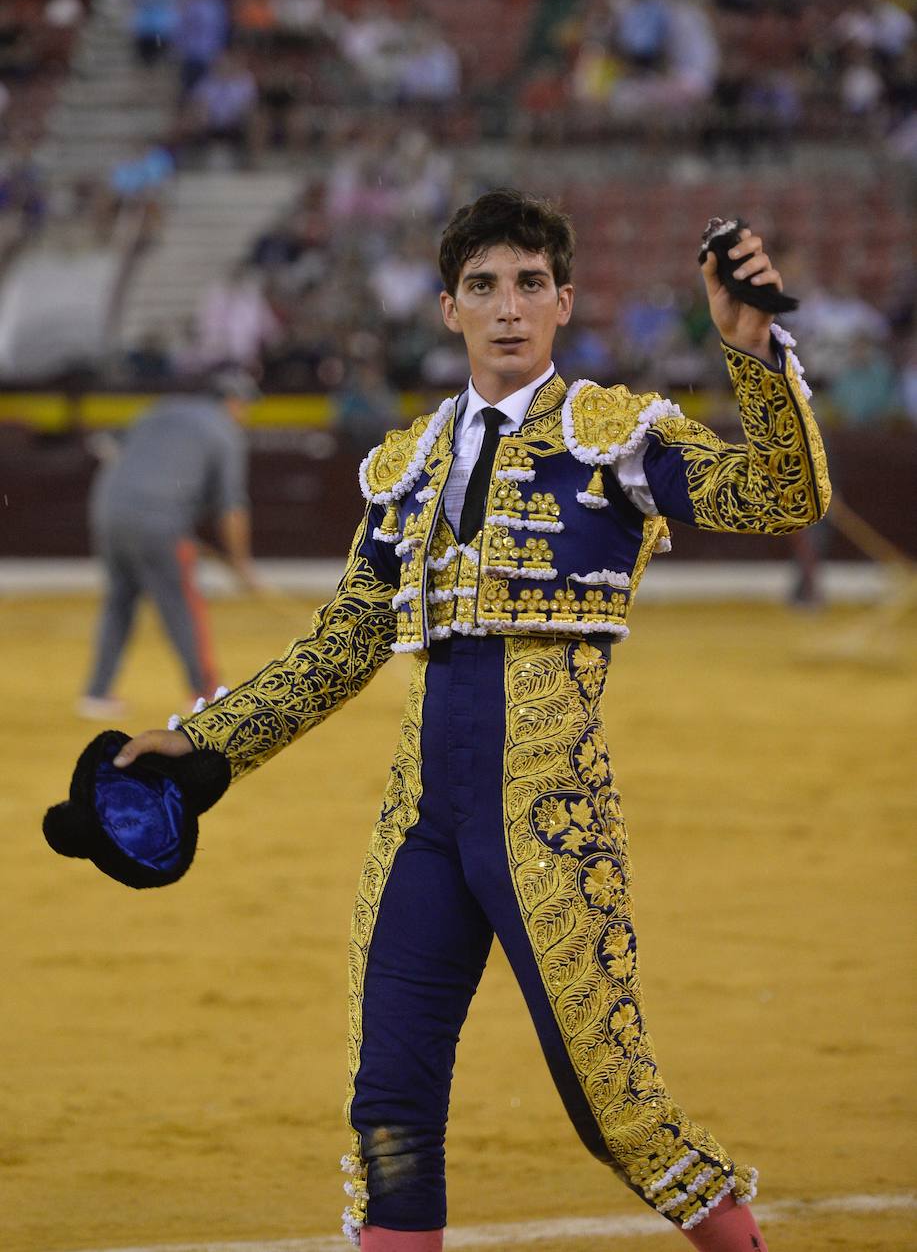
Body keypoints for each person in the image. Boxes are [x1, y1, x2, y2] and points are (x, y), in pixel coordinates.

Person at [112, 191, 830, 1251]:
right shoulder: (404, 468)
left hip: (546, 817)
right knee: (390, 1106)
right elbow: (341, 645)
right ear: (447, 307)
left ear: (563, 300)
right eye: (484, 287)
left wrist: (752, 351)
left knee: (615, 1112)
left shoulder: (610, 437)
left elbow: (781, 494)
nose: (508, 308)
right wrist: (203, 742)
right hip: (424, 829)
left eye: (530, 284)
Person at [79, 367, 260, 720]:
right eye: (246, 406)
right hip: (159, 521)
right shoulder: (225, 433)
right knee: (181, 602)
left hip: (108, 509)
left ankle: (96, 693)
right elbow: (232, 509)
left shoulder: (164, 409)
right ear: (234, 402)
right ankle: (205, 692)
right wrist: (242, 567)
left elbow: (108, 445)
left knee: (119, 600)